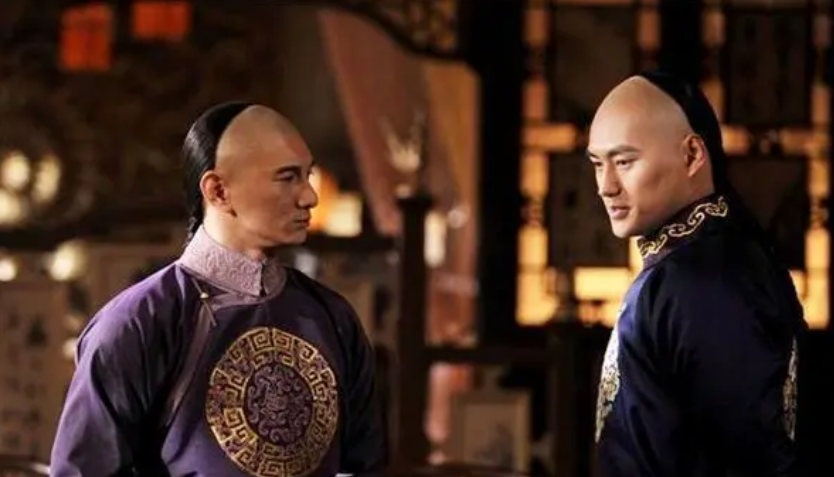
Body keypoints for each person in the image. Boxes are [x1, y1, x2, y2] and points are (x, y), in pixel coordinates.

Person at [50, 102, 388, 477]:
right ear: (218, 190)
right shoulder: (139, 323)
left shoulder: (332, 317)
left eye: (307, 175)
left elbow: (364, 465)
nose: (310, 196)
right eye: (287, 177)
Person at [588, 71, 807, 476]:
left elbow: (750, 458)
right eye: (598, 164)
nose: (606, 186)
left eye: (624, 162)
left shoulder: (706, 282)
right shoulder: (687, 266)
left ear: (692, 155)